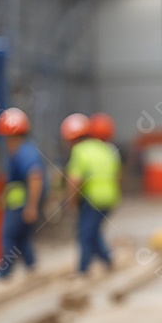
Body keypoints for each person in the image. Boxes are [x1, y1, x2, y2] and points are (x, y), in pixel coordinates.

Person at [61, 113, 121, 275]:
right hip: (109, 199)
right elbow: (117, 176)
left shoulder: (80, 151)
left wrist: (71, 201)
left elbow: (74, 180)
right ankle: (107, 258)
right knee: (93, 231)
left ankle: (83, 270)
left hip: (92, 200)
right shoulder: (108, 149)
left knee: (85, 234)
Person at [0, 107, 44, 279]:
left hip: (21, 205)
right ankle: (32, 266)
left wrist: (31, 206)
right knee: (21, 237)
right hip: (18, 203)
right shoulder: (23, 151)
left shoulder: (24, 152)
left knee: (8, 236)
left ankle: (5, 271)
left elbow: (35, 176)